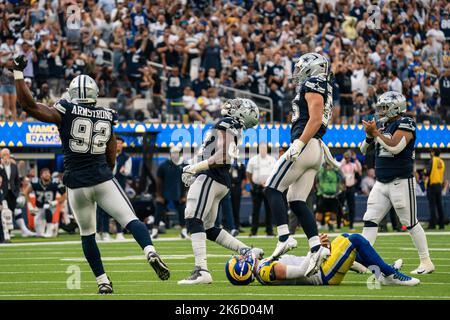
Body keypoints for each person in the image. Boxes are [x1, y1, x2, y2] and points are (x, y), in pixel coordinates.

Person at [13, 55, 170, 294]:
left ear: (73, 93)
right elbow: (110, 150)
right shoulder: (107, 114)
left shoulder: (65, 109)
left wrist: (17, 74)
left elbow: (29, 106)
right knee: (131, 220)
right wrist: (106, 170)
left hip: (76, 184)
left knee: (87, 234)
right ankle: (149, 251)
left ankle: (103, 282)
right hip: (102, 178)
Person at [178, 98, 264, 285]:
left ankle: (202, 271)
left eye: (238, 106)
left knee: (193, 218)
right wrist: (194, 165)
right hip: (219, 179)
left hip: (211, 176)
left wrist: (195, 167)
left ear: (242, 113)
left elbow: (222, 156)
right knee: (208, 228)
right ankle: (246, 251)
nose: (233, 105)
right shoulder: (235, 127)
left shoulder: (228, 123)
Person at [263, 52, 336, 261]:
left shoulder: (314, 82)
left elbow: (314, 119)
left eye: (300, 67)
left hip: (305, 145)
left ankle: (284, 237)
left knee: (272, 188)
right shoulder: (324, 86)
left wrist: (299, 143)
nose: (297, 72)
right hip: (315, 147)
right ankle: (316, 246)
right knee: (296, 201)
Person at [360, 91, 435, 275]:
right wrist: (370, 136)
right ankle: (363, 259)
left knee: (409, 222)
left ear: (396, 107)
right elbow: (363, 150)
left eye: (385, 107)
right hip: (381, 182)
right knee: (370, 219)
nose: (381, 111)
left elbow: (395, 146)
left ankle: (426, 261)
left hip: (400, 180)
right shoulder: (384, 126)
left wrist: (376, 132)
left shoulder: (406, 123)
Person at [227, 233, 419, 287]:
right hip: (323, 274)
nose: (244, 255)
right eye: (240, 258)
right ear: (242, 268)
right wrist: (316, 249)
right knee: (355, 240)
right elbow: (302, 271)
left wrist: (321, 250)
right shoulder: (264, 272)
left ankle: (381, 272)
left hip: (321, 267)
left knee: (345, 239)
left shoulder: (263, 267)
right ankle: (390, 274)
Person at [97, 135, 133, 241]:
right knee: (103, 210)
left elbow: (127, 172)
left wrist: (124, 171)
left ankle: (119, 232)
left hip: (119, 187)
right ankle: (104, 232)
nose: (118, 145)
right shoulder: (105, 155)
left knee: (119, 210)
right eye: (116, 143)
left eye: (120, 143)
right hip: (106, 186)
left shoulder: (126, 157)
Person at [153, 145, 188, 239]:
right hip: (164, 193)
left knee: (182, 210)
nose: (175, 155)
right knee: (159, 210)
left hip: (179, 194)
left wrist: (184, 195)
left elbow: (187, 181)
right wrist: (159, 195)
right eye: (173, 153)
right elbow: (159, 181)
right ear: (170, 153)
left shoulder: (184, 165)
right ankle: (154, 231)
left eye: (176, 153)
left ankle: (184, 231)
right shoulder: (163, 165)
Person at [23, 168, 66, 238]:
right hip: (39, 208)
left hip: (51, 207)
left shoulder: (55, 182)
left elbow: (65, 195)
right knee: (40, 234)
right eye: (45, 173)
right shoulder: (35, 182)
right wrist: (30, 205)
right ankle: (54, 228)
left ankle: (50, 230)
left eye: (48, 173)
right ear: (41, 176)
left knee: (47, 209)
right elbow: (26, 192)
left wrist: (55, 202)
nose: (47, 175)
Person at [246, 142, 276, 236]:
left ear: (267, 149)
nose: (263, 150)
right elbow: (248, 173)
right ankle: (253, 231)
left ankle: (269, 230)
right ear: (258, 149)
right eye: (261, 148)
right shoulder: (253, 160)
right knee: (255, 210)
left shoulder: (272, 160)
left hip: (268, 187)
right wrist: (252, 184)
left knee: (269, 210)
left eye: (265, 148)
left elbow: (275, 173)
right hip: (256, 187)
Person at [315, 162, 343, 232]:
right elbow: (318, 177)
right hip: (323, 194)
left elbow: (341, 177)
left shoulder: (336, 171)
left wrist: (336, 168)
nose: (330, 166)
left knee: (334, 211)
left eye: (331, 164)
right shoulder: (322, 171)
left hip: (334, 195)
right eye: (328, 164)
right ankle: (317, 225)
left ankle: (331, 225)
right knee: (320, 211)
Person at [340, 150, 362, 230]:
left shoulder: (353, 165)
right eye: (346, 157)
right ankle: (338, 225)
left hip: (351, 187)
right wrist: (344, 158)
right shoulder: (342, 165)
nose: (347, 159)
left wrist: (355, 159)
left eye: (348, 157)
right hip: (343, 188)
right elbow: (338, 167)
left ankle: (351, 226)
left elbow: (359, 171)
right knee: (340, 206)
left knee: (352, 207)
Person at [425, 149, 446, 230]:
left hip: (432, 185)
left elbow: (427, 171)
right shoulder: (442, 162)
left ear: (433, 153)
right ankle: (441, 225)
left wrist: (424, 172)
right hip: (439, 185)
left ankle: (433, 225)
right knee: (439, 205)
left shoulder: (432, 160)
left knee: (432, 206)